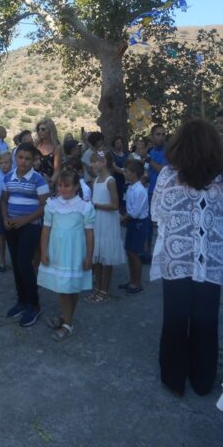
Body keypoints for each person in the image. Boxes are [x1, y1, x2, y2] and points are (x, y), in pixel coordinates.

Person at [150, 119, 223, 396]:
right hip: (212, 261)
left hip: (175, 258)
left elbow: (157, 213)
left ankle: (174, 378)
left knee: (175, 318)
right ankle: (203, 380)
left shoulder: (168, 176)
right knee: (206, 320)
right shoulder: (220, 179)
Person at [38, 170, 95, 341]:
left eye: (67, 185)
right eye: (60, 185)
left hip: (74, 254)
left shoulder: (85, 207)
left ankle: (67, 322)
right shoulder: (52, 205)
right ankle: (66, 320)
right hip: (58, 253)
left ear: (76, 186)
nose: (62, 189)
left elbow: (89, 234)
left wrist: (89, 257)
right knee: (63, 289)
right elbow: (46, 229)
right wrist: (43, 251)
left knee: (72, 288)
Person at [1, 142, 50, 327]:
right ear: (15, 158)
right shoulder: (8, 177)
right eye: (20, 157)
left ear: (33, 160)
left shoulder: (39, 180)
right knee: (16, 264)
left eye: (27, 159)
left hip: (30, 226)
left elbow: (44, 206)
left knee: (24, 264)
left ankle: (34, 305)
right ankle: (21, 301)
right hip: (11, 225)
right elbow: (3, 201)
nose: (23, 161)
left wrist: (25, 220)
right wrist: (5, 218)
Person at [85, 151, 125, 303]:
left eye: (95, 161)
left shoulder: (110, 181)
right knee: (97, 254)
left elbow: (115, 205)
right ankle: (97, 287)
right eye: (92, 161)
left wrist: (96, 205)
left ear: (104, 162)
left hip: (107, 221)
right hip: (97, 220)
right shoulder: (96, 180)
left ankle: (105, 290)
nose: (93, 164)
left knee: (107, 255)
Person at [119, 160, 149, 295]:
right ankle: (132, 280)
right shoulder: (131, 187)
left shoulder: (140, 191)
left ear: (134, 174)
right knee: (129, 252)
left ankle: (137, 283)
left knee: (134, 254)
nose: (124, 174)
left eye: (126, 172)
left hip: (139, 224)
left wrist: (122, 218)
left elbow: (135, 212)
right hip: (132, 222)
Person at [145, 124, 167, 261]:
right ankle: (147, 251)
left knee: (162, 223)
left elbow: (162, 170)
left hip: (163, 192)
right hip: (150, 190)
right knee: (148, 223)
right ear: (152, 137)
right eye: (158, 134)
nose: (161, 137)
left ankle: (163, 253)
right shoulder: (151, 151)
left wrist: (149, 161)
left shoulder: (168, 152)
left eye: (163, 134)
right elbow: (149, 171)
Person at [0, 150, 12, 272]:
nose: (4, 165)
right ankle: (2, 260)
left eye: (6, 162)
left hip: (13, 206)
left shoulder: (15, 175)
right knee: (2, 234)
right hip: (1, 206)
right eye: (1, 163)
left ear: (11, 163)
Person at [35, 118, 62, 189]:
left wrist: (49, 184)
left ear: (50, 130)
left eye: (43, 129)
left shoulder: (56, 148)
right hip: (34, 181)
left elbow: (57, 170)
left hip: (49, 182)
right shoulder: (36, 145)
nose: (40, 131)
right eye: (38, 129)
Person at [110, 136, 128, 212]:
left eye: (121, 142)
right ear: (114, 144)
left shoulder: (126, 154)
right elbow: (114, 166)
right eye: (117, 143)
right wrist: (124, 172)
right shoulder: (112, 154)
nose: (120, 144)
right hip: (117, 178)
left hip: (126, 179)